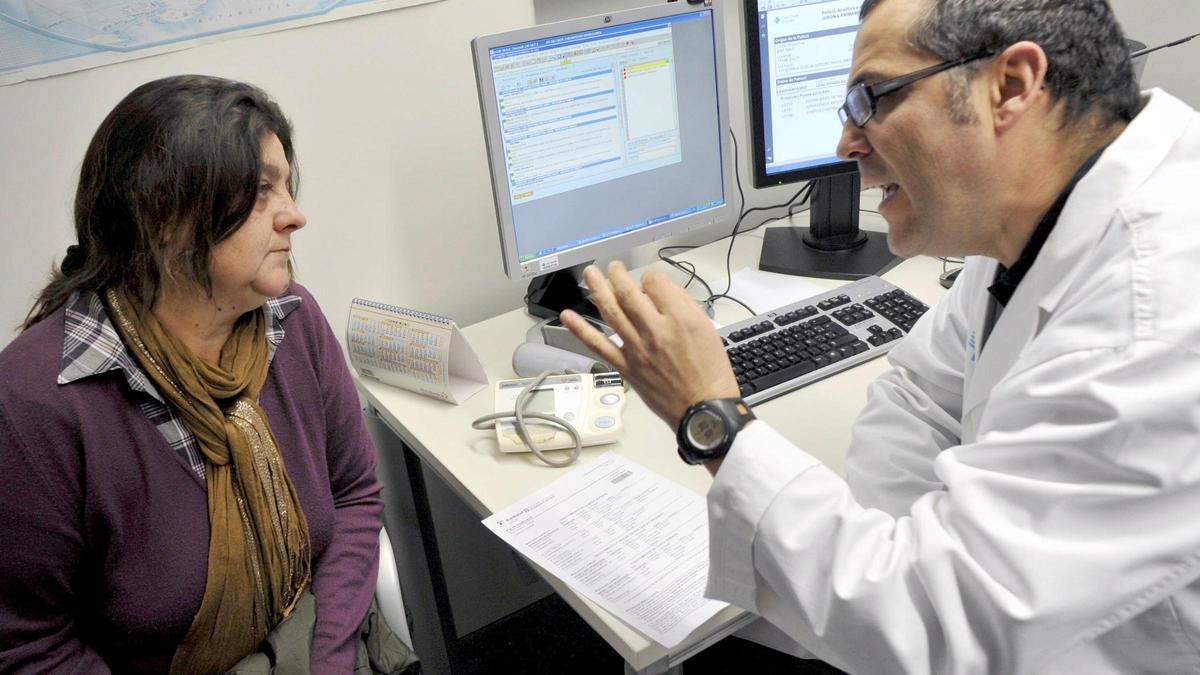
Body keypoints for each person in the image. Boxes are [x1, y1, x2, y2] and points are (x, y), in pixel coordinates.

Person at [561, 0, 1200, 672]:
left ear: (1010, 87)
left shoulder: (1153, 316)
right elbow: (918, 395)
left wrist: (710, 415)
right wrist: (891, 556)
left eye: (872, 98)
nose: (846, 144)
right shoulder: (1033, 212)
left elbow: (935, 634)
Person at [0, 75, 387, 673]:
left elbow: (355, 495)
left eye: (287, 186)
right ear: (162, 216)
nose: (295, 215)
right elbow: (31, 646)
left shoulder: (294, 319)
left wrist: (328, 659)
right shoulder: (34, 405)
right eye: (261, 191)